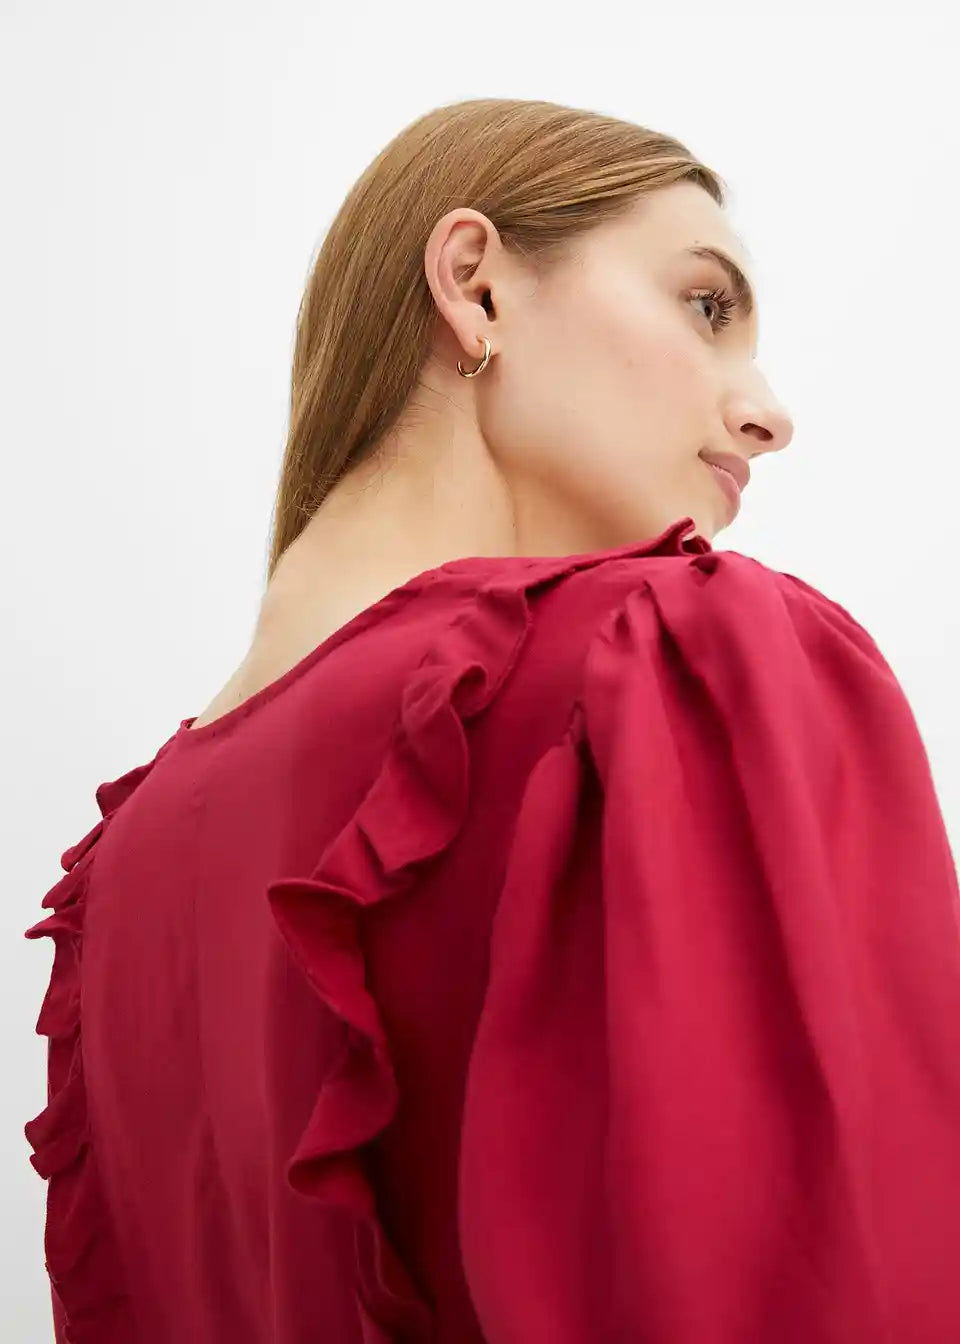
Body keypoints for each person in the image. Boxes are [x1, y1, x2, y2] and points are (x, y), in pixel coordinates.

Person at [24, 97, 960, 1344]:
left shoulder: (120, 884)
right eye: (705, 305)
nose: (768, 414)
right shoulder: (669, 656)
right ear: (475, 287)